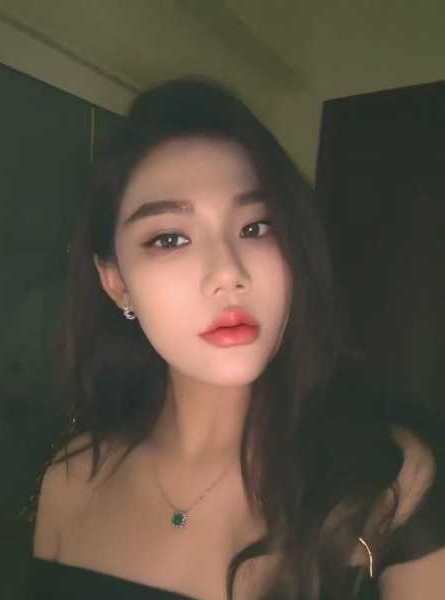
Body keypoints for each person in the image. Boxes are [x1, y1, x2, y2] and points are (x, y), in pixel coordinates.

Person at [31, 76, 445, 600]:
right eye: (169, 238)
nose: (228, 272)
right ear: (115, 284)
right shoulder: (70, 483)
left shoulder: (392, 485)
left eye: (256, 228)